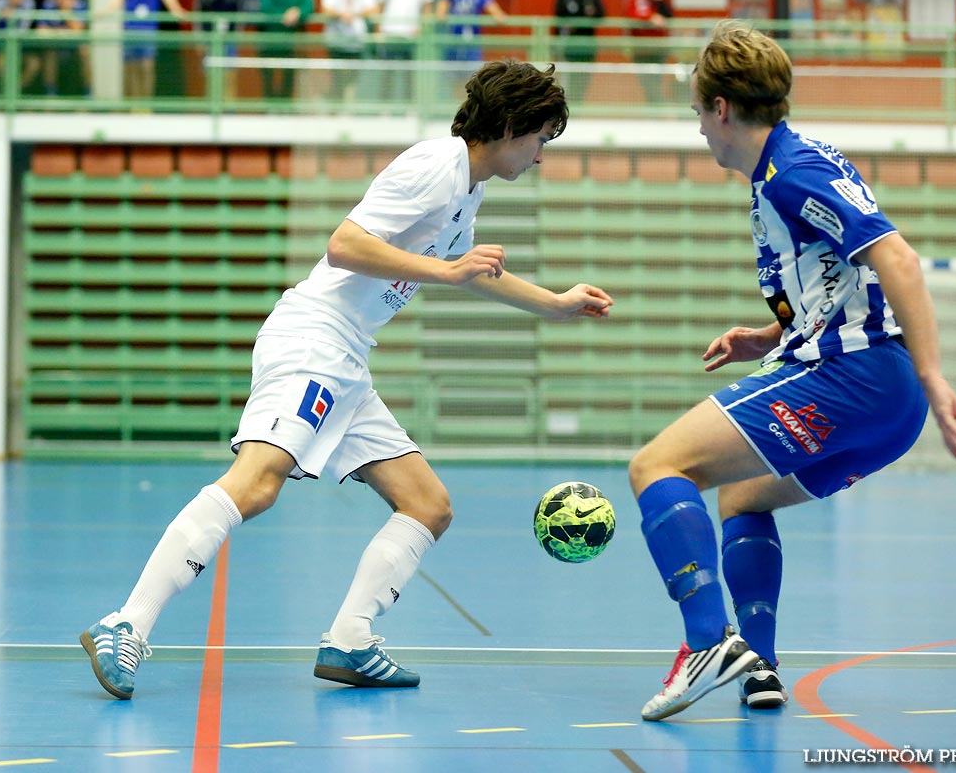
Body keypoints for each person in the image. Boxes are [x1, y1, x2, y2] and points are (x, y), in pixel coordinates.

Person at [78, 59, 613, 700]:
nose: (540, 156)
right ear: (509, 126)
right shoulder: (436, 164)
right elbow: (344, 245)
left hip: (348, 359)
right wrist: (443, 273)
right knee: (256, 483)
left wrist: (555, 302)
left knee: (428, 505)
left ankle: (351, 639)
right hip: (313, 339)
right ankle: (126, 625)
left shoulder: (468, 187)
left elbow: (471, 269)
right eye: (540, 139)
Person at [626, 22, 956, 721]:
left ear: (722, 108)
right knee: (743, 499)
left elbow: (897, 259)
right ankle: (759, 666)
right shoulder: (790, 167)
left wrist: (933, 374)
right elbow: (839, 276)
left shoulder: (793, 172)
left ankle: (705, 646)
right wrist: (770, 336)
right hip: (879, 397)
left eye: (697, 111)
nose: (697, 128)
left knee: (657, 467)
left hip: (856, 375)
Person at [103, 0, 185, 99]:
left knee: (147, 66)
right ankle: (133, 104)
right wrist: (105, 11)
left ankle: (146, 104)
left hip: (148, 28)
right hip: (131, 27)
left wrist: (177, 10)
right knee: (131, 66)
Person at [374, 0, 437, 102]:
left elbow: (427, 9)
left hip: (411, 36)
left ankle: (409, 107)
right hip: (389, 34)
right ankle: (385, 108)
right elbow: (379, 7)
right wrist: (377, 30)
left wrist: (422, 29)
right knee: (387, 74)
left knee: (409, 74)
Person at [320, 0, 380, 103]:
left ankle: (349, 105)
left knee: (353, 78)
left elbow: (375, 10)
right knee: (337, 78)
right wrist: (340, 14)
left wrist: (355, 14)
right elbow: (324, 10)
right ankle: (337, 106)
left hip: (357, 43)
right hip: (336, 42)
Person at [257, 0, 316, 100]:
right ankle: (269, 109)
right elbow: (265, 7)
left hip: (293, 43)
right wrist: (285, 15)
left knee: (289, 76)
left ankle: (286, 109)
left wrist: (298, 12)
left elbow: (310, 6)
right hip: (269, 42)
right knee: (267, 77)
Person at [554, 0, 605, 101]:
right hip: (567, 45)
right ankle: (565, 105)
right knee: (566, 77)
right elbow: (559, 13)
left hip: (587, 45)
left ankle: (578, 104)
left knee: (583, 77)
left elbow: (600, 14)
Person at [625, 0, 674, 105]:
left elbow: (669, 17)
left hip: (659, 48)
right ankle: (656, 108)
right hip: (641, 49)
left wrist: (660, 0)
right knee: (646, 82)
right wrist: (650, 18)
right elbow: (632, 15)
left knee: (656, 81)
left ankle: (656, 109)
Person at [36, 0, 91, 96]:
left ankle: (88, 94)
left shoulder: (80, 5)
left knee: (85, 50)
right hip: (56, 45)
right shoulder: (49, 4)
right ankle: (50, 94)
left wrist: (67, 12)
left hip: (73, 47)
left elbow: (79, 30)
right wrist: (59, 33)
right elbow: (41, 30)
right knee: (49, 51)